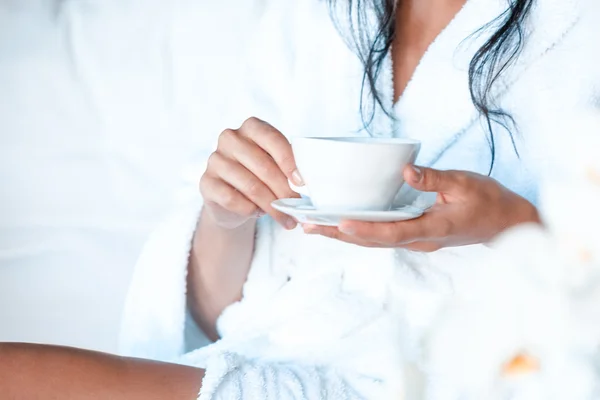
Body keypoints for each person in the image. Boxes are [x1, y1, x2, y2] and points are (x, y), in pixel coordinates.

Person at [2, 0, 598, 398]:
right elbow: (206, 318)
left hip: (451, 377)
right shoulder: (321, 16)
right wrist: (226, 214)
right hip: (279, 358)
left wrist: (514, 223)